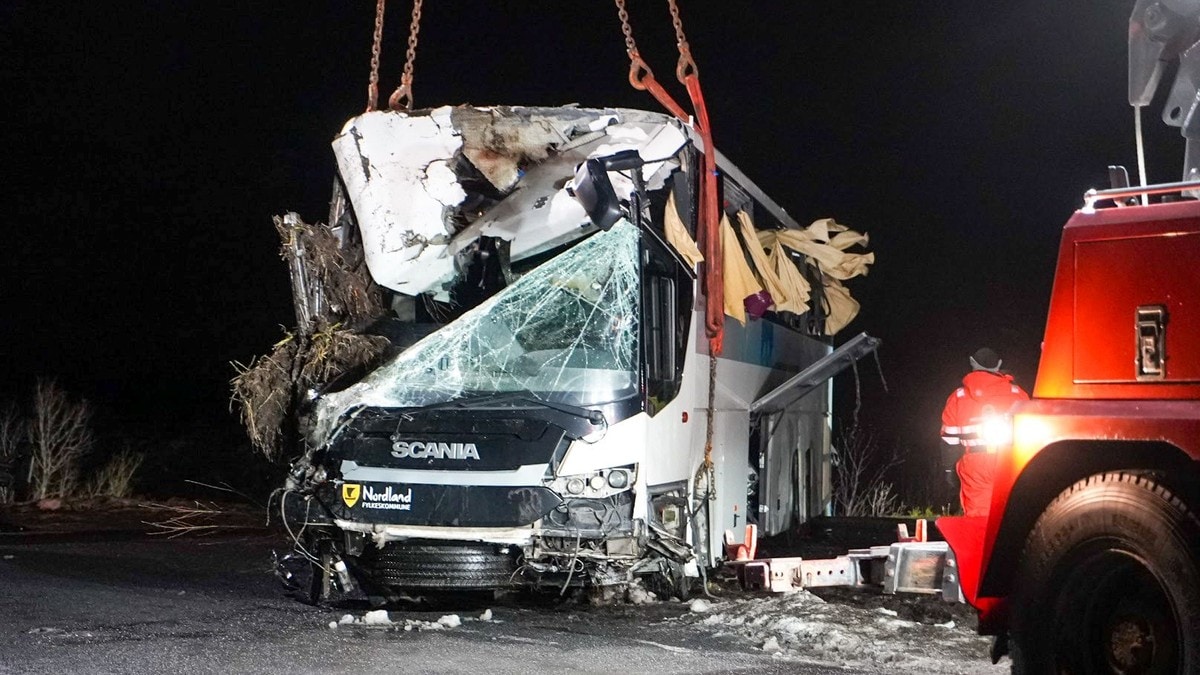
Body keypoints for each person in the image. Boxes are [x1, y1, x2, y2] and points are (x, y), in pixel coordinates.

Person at [940, 347, 1030, 517]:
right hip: (1010, 461)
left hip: (976, 465)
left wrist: (948, 471)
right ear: (999, 364)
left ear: (972, 362)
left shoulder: (958, 397)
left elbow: (949, 440)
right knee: (1012, 517)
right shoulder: (1018, 394)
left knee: (978, 518)